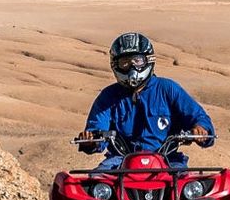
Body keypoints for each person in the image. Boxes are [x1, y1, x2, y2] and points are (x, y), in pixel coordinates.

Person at [77, 32, 215, 169]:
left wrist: (200, 130)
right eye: (125, 63)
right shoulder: (108, 96)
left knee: (191, 187)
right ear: (115, 65)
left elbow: (198, 117)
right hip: (119, 162)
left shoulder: (168, 89)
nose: (132, 68)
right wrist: (91, 140)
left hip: (167, 160)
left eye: (137, 61)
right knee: (94, 184)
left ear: (148, 60)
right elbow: (97, 128)